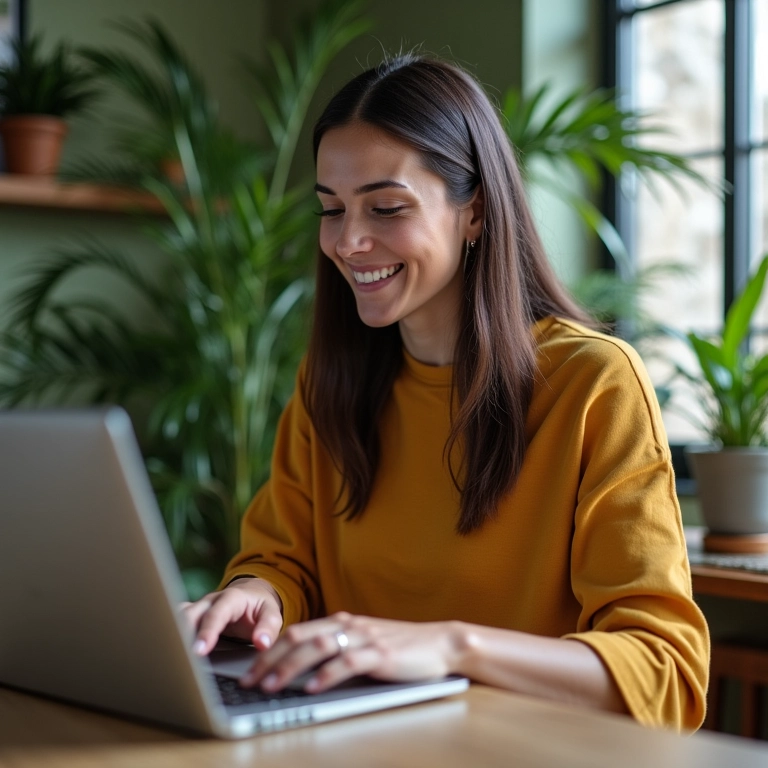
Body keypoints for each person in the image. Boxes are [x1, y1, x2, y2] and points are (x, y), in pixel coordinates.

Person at [183, 54, 709, 731]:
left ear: (475, 211)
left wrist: (452, 648)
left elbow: (665, 673)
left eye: (386, 208)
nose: (348, 241)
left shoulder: (593, 383)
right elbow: (284, 561)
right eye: (331, 209)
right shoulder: (328, 383)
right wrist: (259, 594)